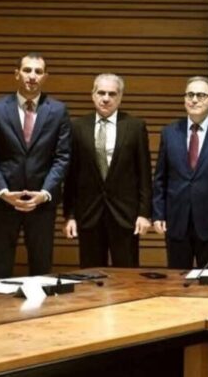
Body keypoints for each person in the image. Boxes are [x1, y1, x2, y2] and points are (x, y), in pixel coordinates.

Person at [0, 53, 71, 279]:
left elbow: (63, 157)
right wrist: (3, 192)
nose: (32, 76)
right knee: (0, 267)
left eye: (38, 72)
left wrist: (45, 193)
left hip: (42, 204)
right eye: (27, 70)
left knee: (41, 268)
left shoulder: (58, 110)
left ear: (45, 76)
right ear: (17, 74)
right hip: (4, 201)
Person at [62, 73, 151, 268]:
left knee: (127, 276)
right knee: (91, 274)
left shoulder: (135, 127)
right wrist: (70, 216)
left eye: (112, 94)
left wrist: (144, 213)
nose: (106, 98)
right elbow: (71, 176)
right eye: (101, 93)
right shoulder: (77, 127)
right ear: (92, 95)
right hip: (89, 215)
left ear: (120, 97)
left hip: (125, 216)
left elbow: (144, 173)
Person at [152, 76, 208, 269]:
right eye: (190, 95)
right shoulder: (169, 132)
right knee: (176, 280)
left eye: (201, 95)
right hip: (176, 221)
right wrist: (158, 214)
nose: (194, 100)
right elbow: (160, 178)